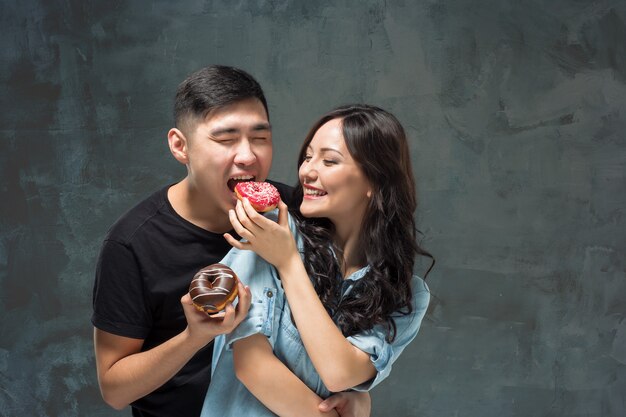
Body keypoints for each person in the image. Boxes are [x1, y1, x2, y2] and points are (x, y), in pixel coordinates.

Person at [92, 66, 371, 417]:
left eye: (260, 137)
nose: (248, 156)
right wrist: (194, 336)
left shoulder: (298, 213)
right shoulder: (132, 244)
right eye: (225, 140)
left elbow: (348, 320)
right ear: (181, 146)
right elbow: (115, 390)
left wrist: (358, 393)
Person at [199, 104, 433, 416]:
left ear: (374, 182)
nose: (308, 170)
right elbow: (251, 365)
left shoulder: (406, 295)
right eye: (308, 156)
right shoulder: (273, 229)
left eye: (329, 161)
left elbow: (340, 373)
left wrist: (288, 264)